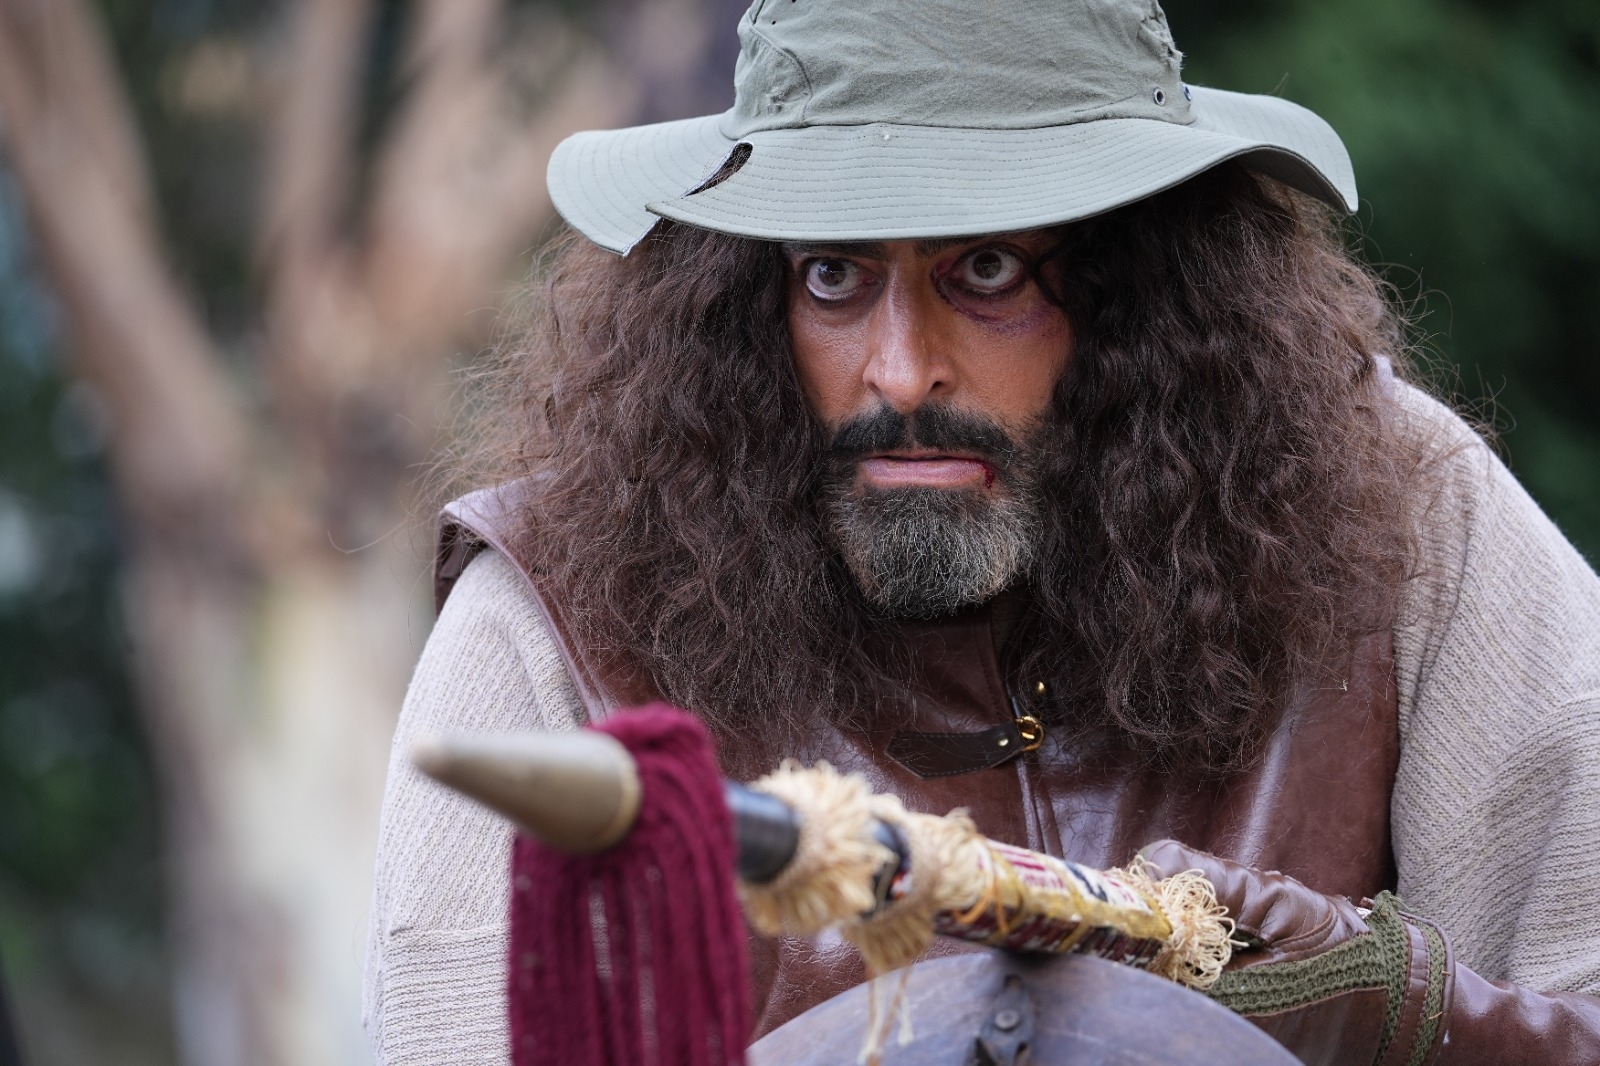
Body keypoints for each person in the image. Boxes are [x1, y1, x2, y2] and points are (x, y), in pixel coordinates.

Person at [362, 0, 1600, 1062]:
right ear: (744, 296)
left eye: (990, 268)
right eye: (833, 274)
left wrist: (1391, 1009)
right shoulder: (561, 611)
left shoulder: (1391, 505)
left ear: (1147, 286)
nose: (901, 371)